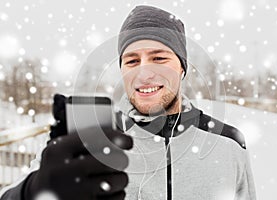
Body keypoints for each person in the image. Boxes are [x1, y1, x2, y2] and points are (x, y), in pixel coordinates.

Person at [0, 5, 256, 200]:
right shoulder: (92, 139)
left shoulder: (228, 143)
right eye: (132, 61)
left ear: (182, 68)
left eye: (159, 58)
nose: (144, 73)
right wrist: (32, 190)